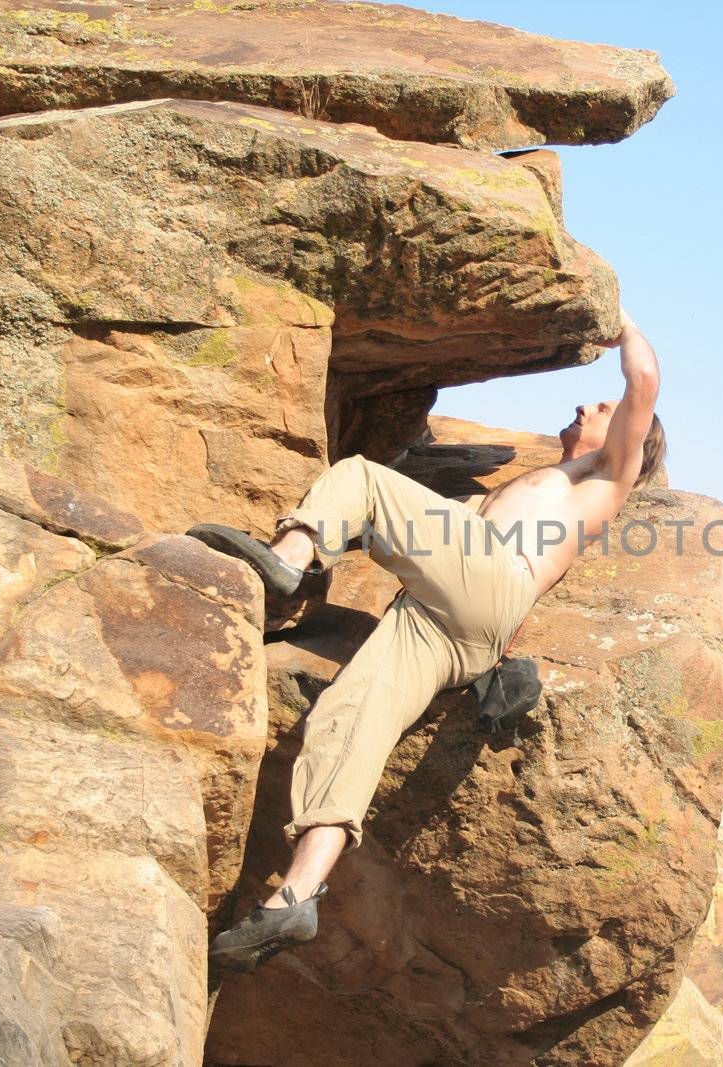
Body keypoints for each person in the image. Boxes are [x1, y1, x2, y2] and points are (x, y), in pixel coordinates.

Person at [188, 305, 664, 973]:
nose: (590, 403)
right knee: (351, 721)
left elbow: (643, 378)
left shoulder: (605, 478)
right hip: (453, 628)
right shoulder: (548, 483)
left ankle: (288, 562)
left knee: (360, 479)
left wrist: (622, 323)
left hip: (490, 584)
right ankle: (297, 895)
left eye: (603, 406)